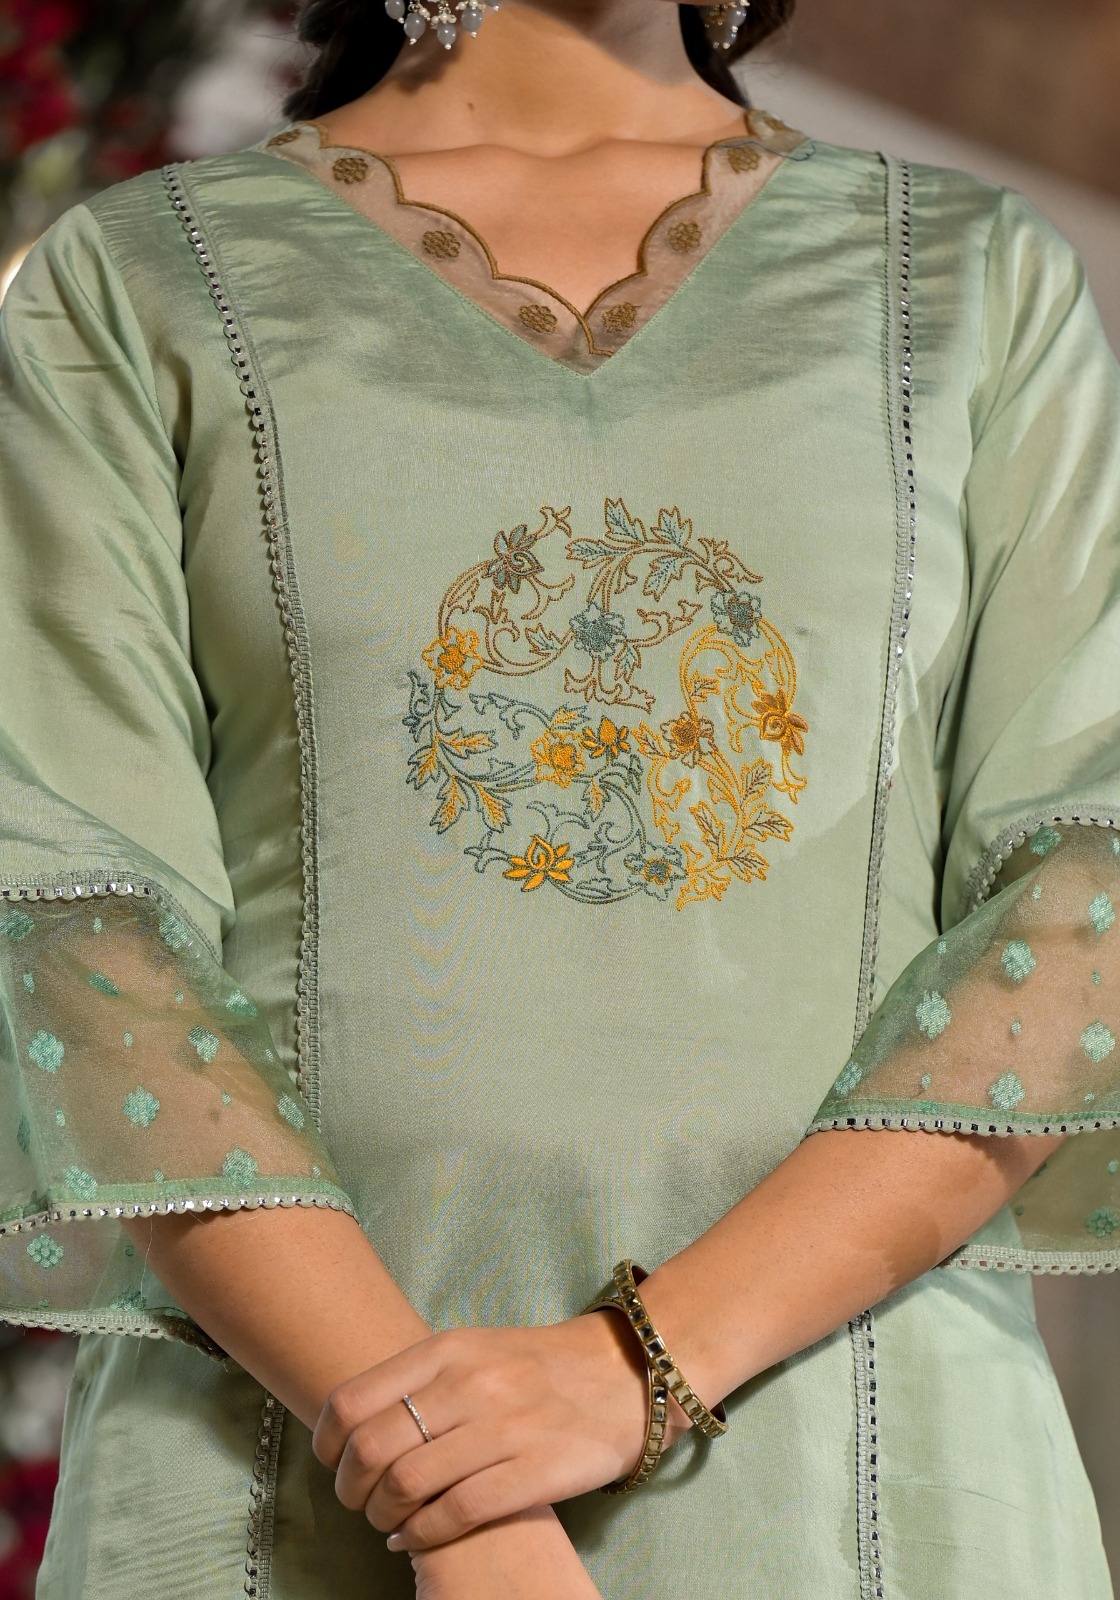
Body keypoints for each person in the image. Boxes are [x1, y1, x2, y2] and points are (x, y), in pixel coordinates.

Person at [1, 0, 1118, 1593]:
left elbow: (1084, 890)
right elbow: (77, 920)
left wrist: (633, 1370)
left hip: (860, 1456)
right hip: (283, 1457)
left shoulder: (970, 283)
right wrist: (467, 1505)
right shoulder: (143, 285)